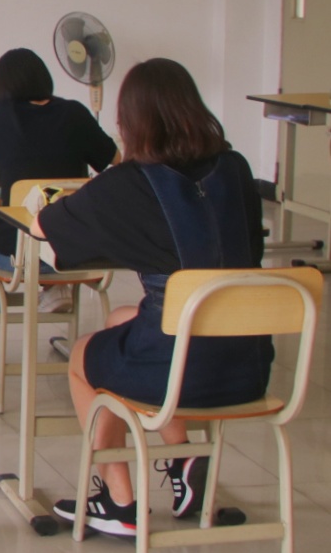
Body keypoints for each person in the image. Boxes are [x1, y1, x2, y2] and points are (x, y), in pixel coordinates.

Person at [35, 58, 270, 539]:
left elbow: (45, 227)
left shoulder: (129, 182)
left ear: (130, 120)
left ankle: (118, 500)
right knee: (124, 320)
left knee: (84, 356)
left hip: (180, 371)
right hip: (248, 366)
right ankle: (184, 461)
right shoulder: (236, 167)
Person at [0, 48, 117, 376]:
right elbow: (115, 159)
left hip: (18, 253)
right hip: (79, 251)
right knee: (51, 228)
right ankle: (54, 285)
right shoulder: (75, 113)